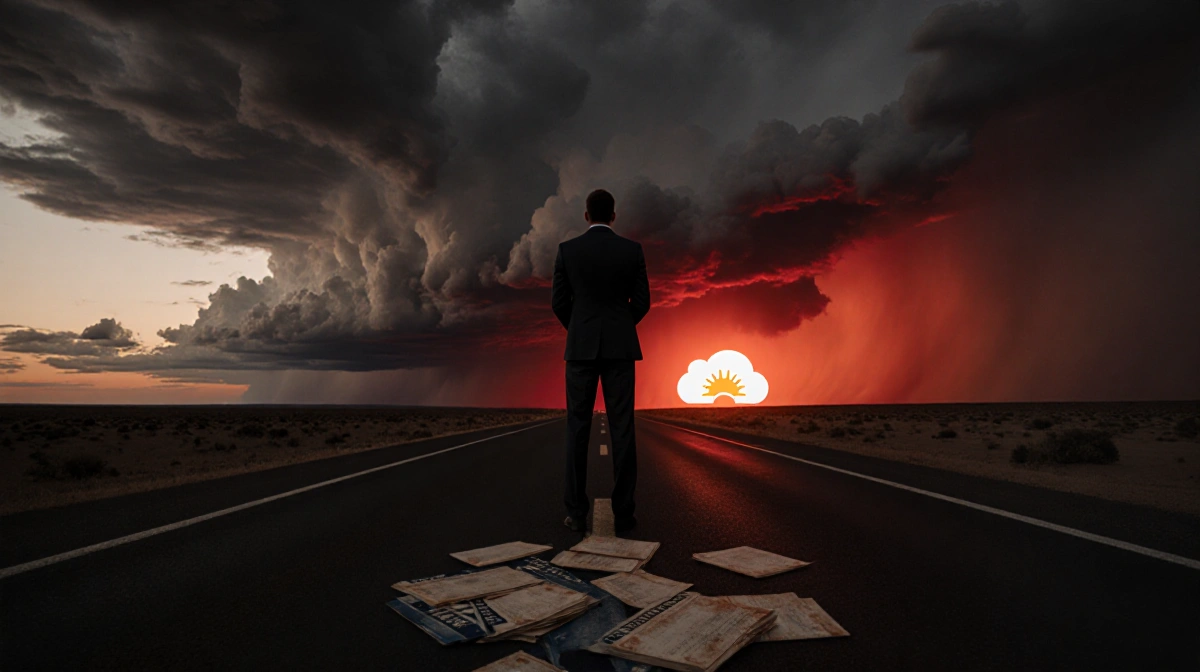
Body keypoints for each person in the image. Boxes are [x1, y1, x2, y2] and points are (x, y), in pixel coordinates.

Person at [552, 189, 650, 534]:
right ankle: (623, 514)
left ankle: (576, 513)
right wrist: (619, 328)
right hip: (620, 350)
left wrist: (581, 330)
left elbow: (559, 303)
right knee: (623, 429)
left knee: (577, 430)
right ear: (613, 215)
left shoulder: (567, 251)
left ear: (586, 215)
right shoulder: (632, 251)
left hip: (580, 350)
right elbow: (642, 302)